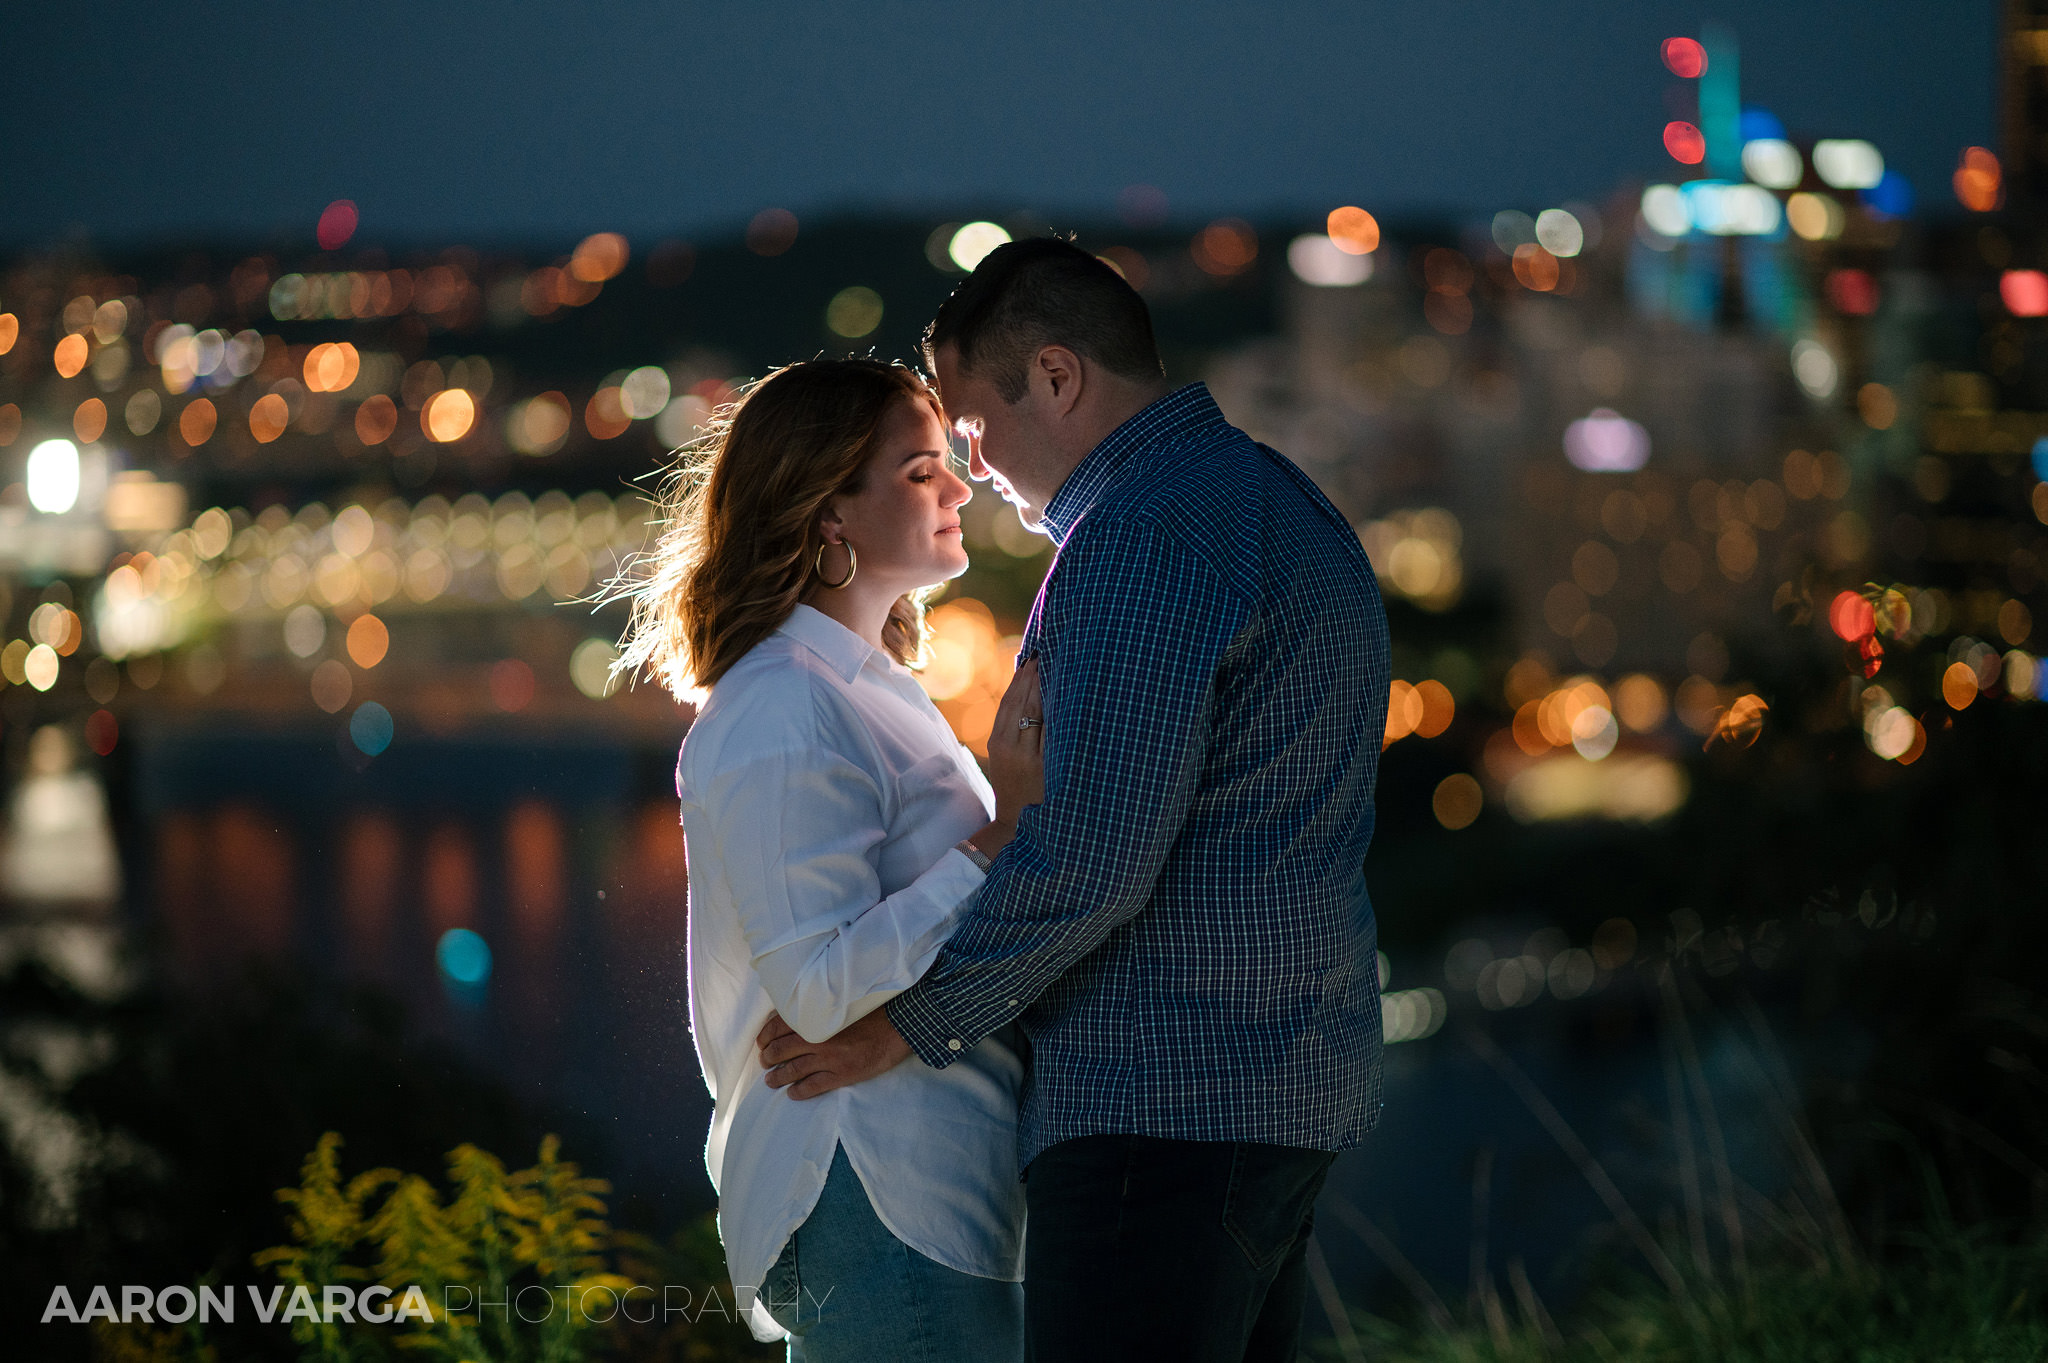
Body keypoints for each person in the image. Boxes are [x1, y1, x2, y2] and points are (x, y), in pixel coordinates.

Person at [755, 238, 1392, 1362]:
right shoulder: (1275, 497)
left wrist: (902, 1027)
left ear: (1055, 376)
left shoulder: (1135, 539)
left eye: (974, 430)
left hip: (1163, 1104)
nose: (974, 470)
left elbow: (1092, 857)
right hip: (1288, 1085)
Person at [607, 358, 1045, 1359]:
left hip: (924, 1187)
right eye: (920, 470)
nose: (959, 488)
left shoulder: (859, 687)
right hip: (874, 1184)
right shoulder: (782, 706)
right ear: (827, 512)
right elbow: (813, 985)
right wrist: (994, 839)